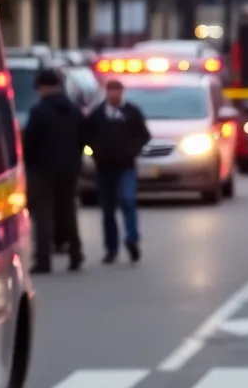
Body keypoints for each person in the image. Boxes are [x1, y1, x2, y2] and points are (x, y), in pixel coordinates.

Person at [22, 68, 85, 273]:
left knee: (43, 216)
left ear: (41, 87)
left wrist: (27, 164)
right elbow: (84, 137)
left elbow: (29, 142)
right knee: (68, 211)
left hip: (42, 170)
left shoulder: (39, 111)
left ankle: (43, 260)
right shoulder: (73, 110)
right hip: (69, 169)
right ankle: (76, 253)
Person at [83, 79, 151, 263]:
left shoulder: (131, 112)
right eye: (111, 91)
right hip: (104, 168)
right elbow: (87, 137)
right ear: (106, 93)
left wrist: (132, 150)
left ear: (122, 92)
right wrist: (95, 152)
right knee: (107, 209)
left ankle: (131, 239)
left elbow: (144, 135)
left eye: (117, 91)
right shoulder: (97, 115)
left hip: (126, 166)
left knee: (128, 200)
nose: (114, 95)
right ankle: (111, 248)